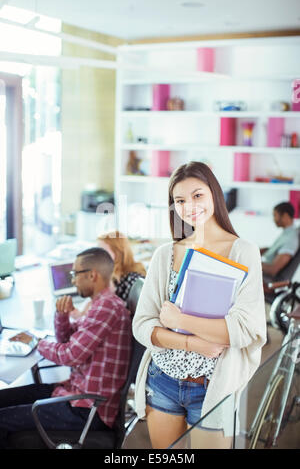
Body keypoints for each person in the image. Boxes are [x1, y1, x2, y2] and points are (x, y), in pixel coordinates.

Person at [132, 161, 266, 449]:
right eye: (179, 200)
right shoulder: (165, 254)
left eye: (197, 195)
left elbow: (245, 330)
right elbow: (142, 326)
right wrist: (196, 344)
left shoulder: (243, 251)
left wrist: (179, 320)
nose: (189, 206)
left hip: (212, 387)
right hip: (162, 380)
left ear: (214, 194)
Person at [0, 247, 132, 448]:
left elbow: (70, 355)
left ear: (91, 275)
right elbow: (67, 342)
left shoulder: (107, 307)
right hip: (74, 395)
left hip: (86, 410)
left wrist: (35, 342)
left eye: (75, 274)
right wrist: (62, 315)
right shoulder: (99, 305)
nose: (72, 280)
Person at [97, 231, 146, 303]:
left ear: (117, 253)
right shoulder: (112, 276)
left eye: (102, 251)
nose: (98, 256)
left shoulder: (133, 280)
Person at [261, 202, 299, 280]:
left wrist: (251, 261)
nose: (273, 219)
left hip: (267, 279)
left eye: (275, 215)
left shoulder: (291, 239)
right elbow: (276, 250)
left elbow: (272, 270)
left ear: (285, 216)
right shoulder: (287, 233)